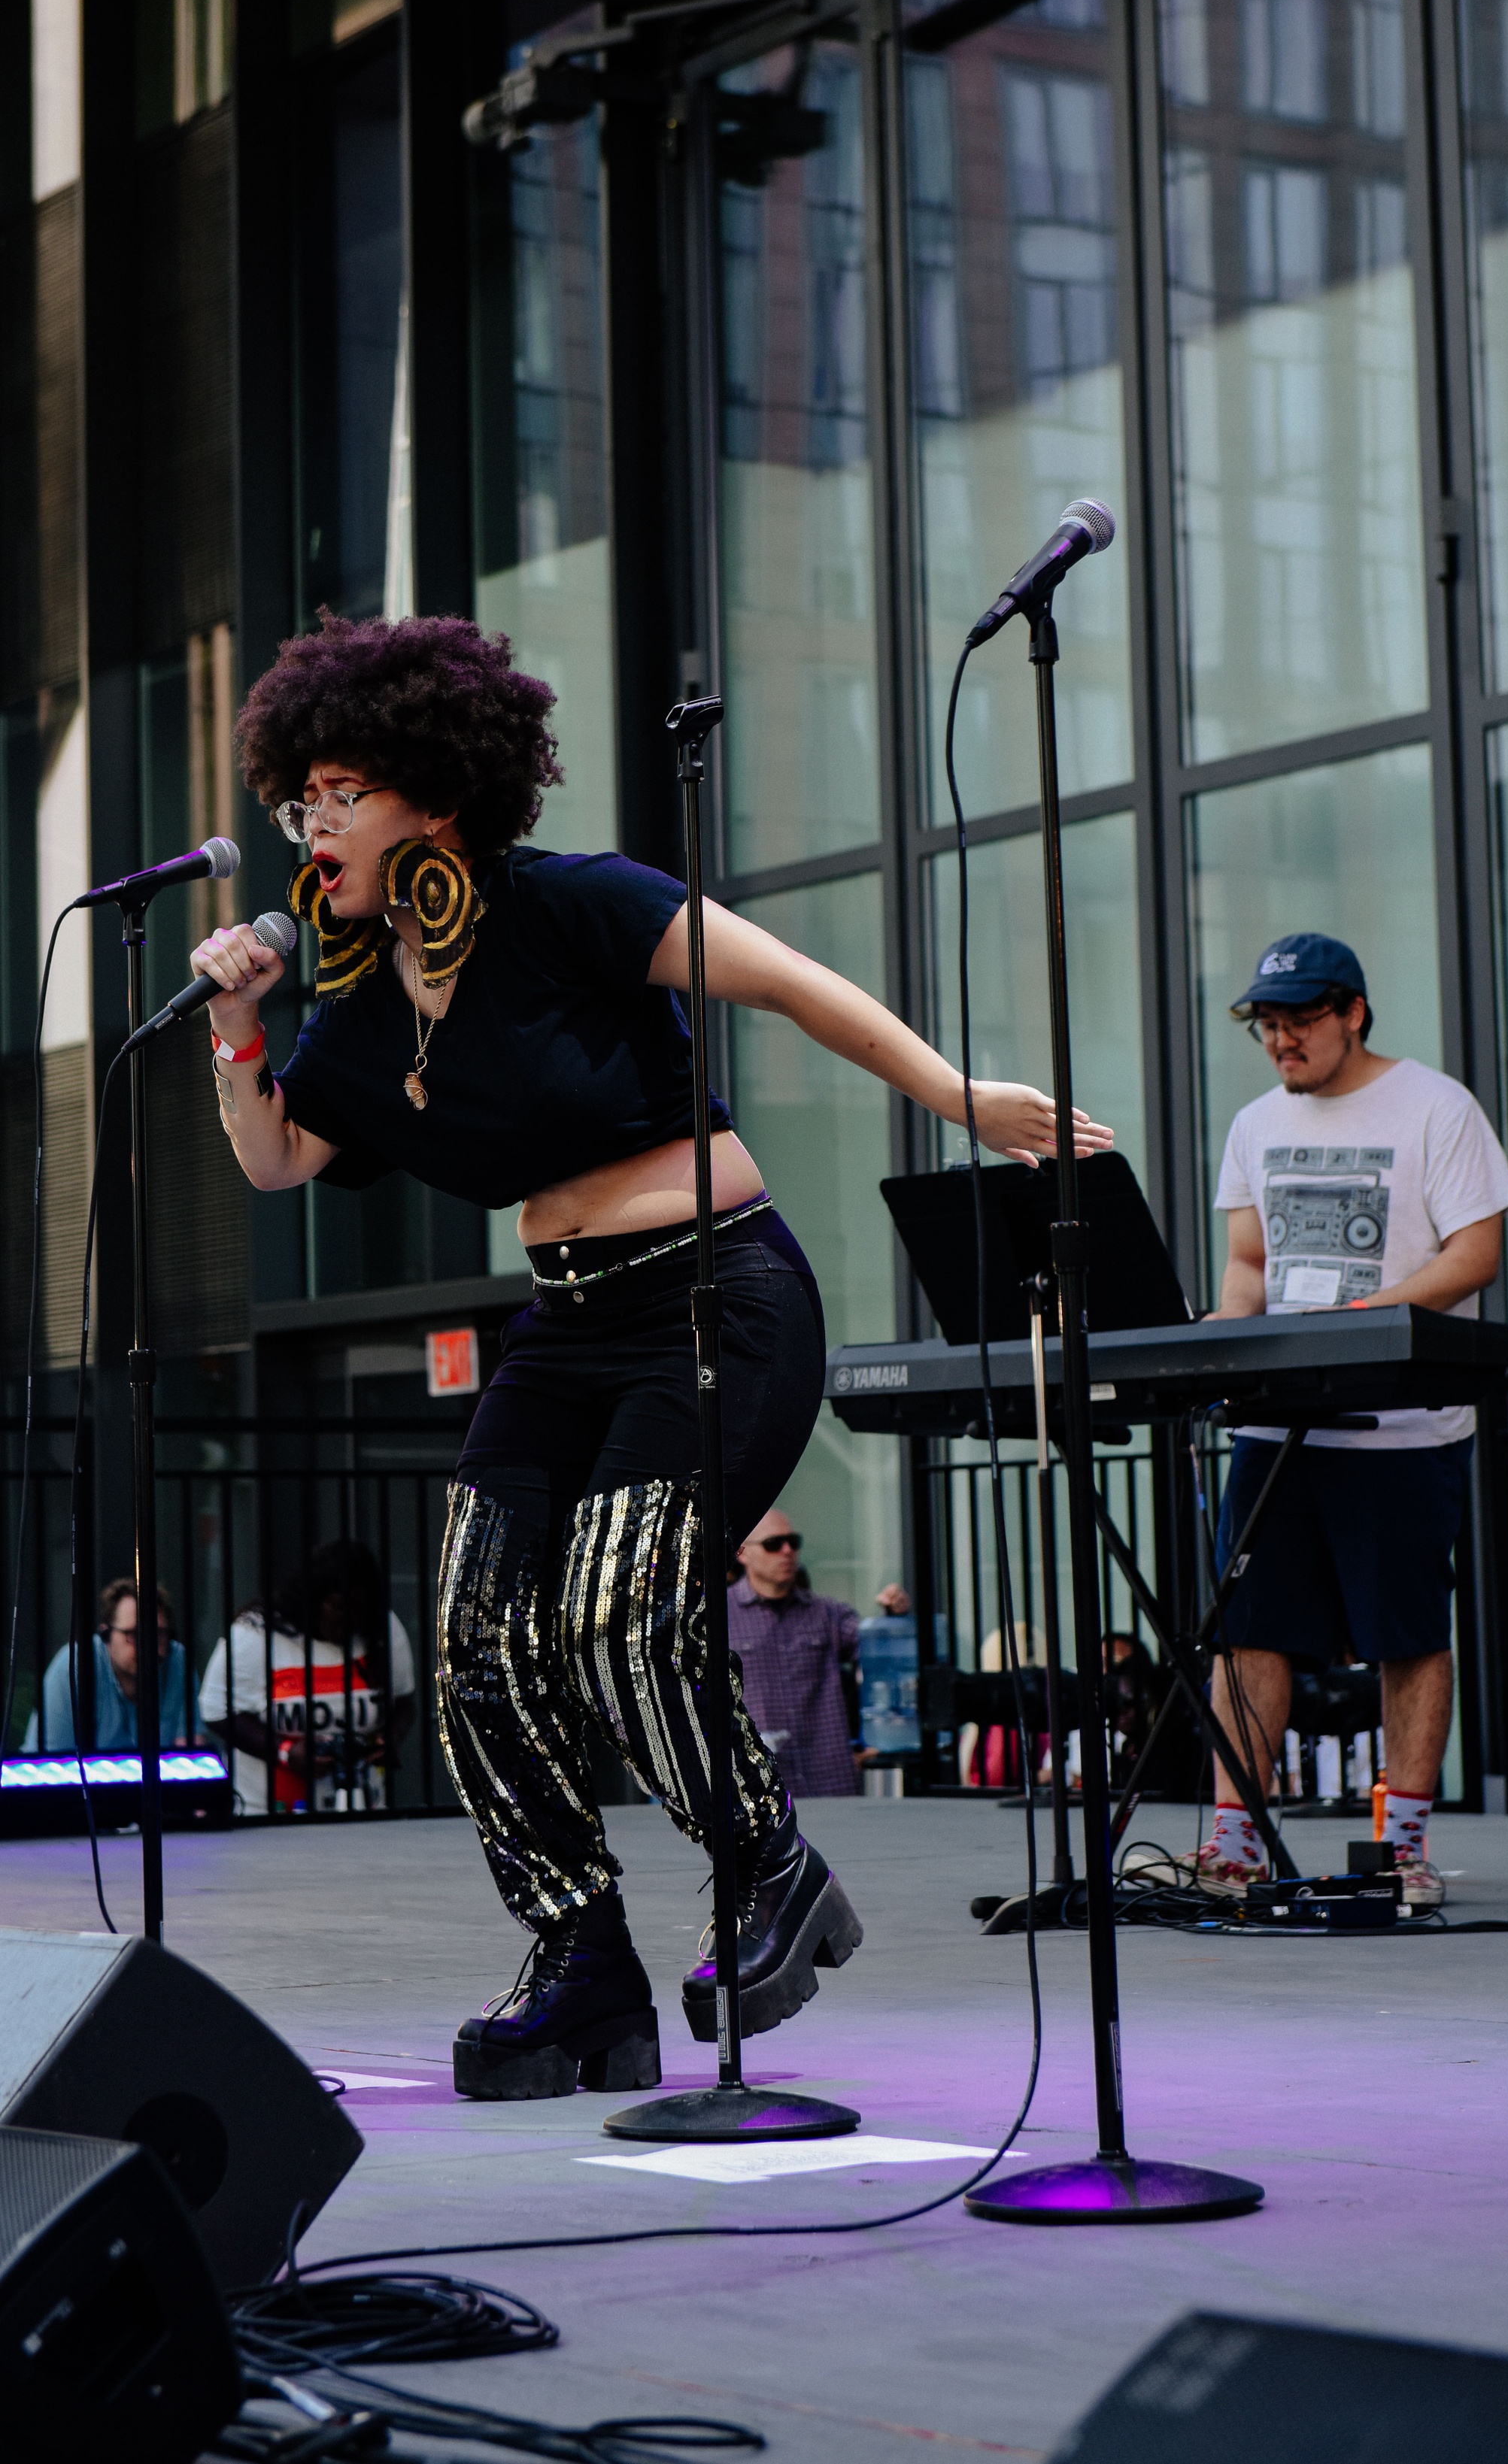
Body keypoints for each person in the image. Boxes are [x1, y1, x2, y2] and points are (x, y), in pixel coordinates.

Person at [190, 611, 1110, 2100]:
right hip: (564, 1322)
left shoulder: (571, 903)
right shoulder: (358, 1013)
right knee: (479, 1643)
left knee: (621, 1611)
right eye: (295, 802)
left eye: (337, 791)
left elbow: (795, 982)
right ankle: (582, 1967)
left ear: (433, 791)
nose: (310, 823)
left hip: (713, 1291)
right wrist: (238, 1022)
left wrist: (957, 1091)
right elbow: (278, 1157)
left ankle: (768, 1868)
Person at [1179, 932, 1508, 1909]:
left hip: (1402, 1422)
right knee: (1249, 1633)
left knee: (1407, 1636)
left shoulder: (1435, 1106)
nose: (1283, 1040)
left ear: (1353, 1012)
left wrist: (1364, 1324)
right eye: (1269, 1026)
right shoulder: (1252, 1123)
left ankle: (1401, 1849)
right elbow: (1249, 1266)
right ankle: (1235, 1845)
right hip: (1278, 1421)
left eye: (1300, 1021)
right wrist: (1211, 1340)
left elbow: (1475, 1254)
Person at [199, 1537, 415, 1816]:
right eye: (339, 1606)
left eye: (362, 1608)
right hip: (271, 1817)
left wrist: (390, 1738)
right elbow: (217, 1710)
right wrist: (285, 1751)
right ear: (312, 1599)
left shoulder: (382, 1627)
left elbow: (404, 1702)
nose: (351, 1619)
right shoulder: (255, 1635)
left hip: (364, 1809)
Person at [729, 1507, 909, 1799]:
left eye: (793, 1542)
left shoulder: (827, 1614)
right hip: (759, 1783)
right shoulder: (716, 1617)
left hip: (828, 1779)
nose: (787, 1551)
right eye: (774, 1544)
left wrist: (892, 1614)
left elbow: (881, 1656)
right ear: (743, 1553)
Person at [26, 1579, 199, 1752]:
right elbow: (48, 1761)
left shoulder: (177, 1661)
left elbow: (191, 1755)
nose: (148, 1645)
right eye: (134, 1634)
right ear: (106, 1636)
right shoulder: (75, 1666)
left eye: (159, 1633)